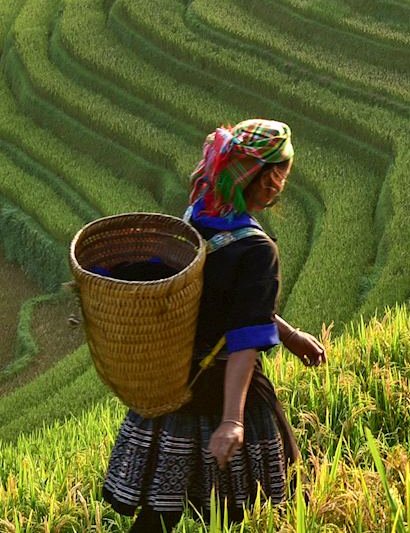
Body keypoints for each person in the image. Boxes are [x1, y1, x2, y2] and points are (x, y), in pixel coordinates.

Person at [100, 119, 327, 532]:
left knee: (159, 512)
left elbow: (225, 297)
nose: (282, 186)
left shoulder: (199, 215)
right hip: (225, 383)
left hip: (175, 380)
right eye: (283, 175)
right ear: (268, 178)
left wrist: (290, 335)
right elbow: (243, 340)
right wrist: (233, 421)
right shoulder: (259, 250)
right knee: (277, 504)